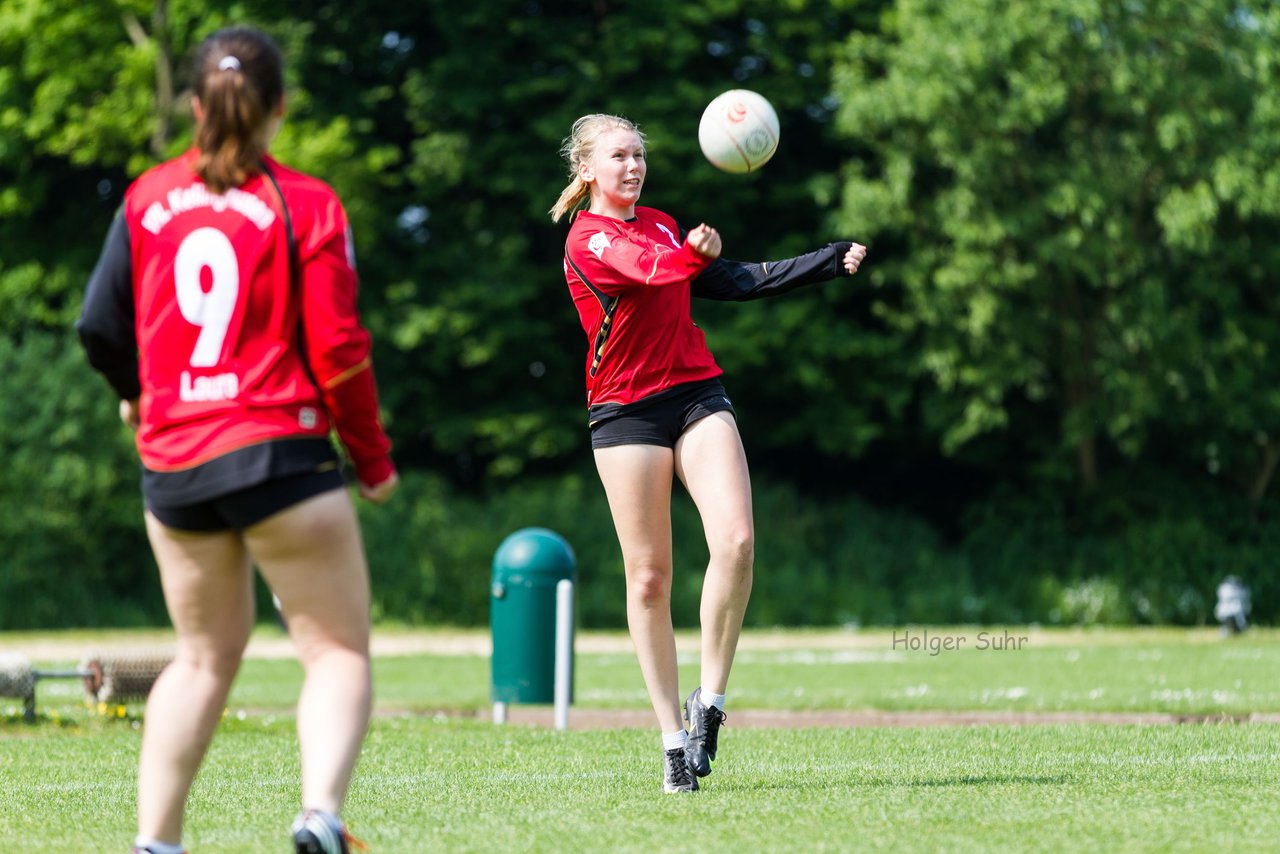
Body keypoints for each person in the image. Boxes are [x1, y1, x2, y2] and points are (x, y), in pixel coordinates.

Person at [76, 26, 397, 854]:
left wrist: (138, 395)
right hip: (280, 456)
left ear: (194, 105)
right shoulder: (309, 201)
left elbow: (98, 326)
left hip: (176, 466)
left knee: (201, 659)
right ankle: (319, 815)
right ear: (280, 110)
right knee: (335, 653)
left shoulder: (146, 198)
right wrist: (371, 459)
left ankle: (157, 842)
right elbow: (338, 347)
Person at [550, 114, 867, 792]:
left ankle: (710, 703)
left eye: (639, 154)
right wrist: (690, 255)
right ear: (587, 171)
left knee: (740, 542)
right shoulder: (589, 237)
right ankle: (670, 741)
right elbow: (650, 271)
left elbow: (732, 280)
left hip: (695, 393)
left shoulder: (664, 222)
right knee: (648, 578)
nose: (633, 166)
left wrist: (823, 261)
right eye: (618, 156)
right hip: (626, 411)